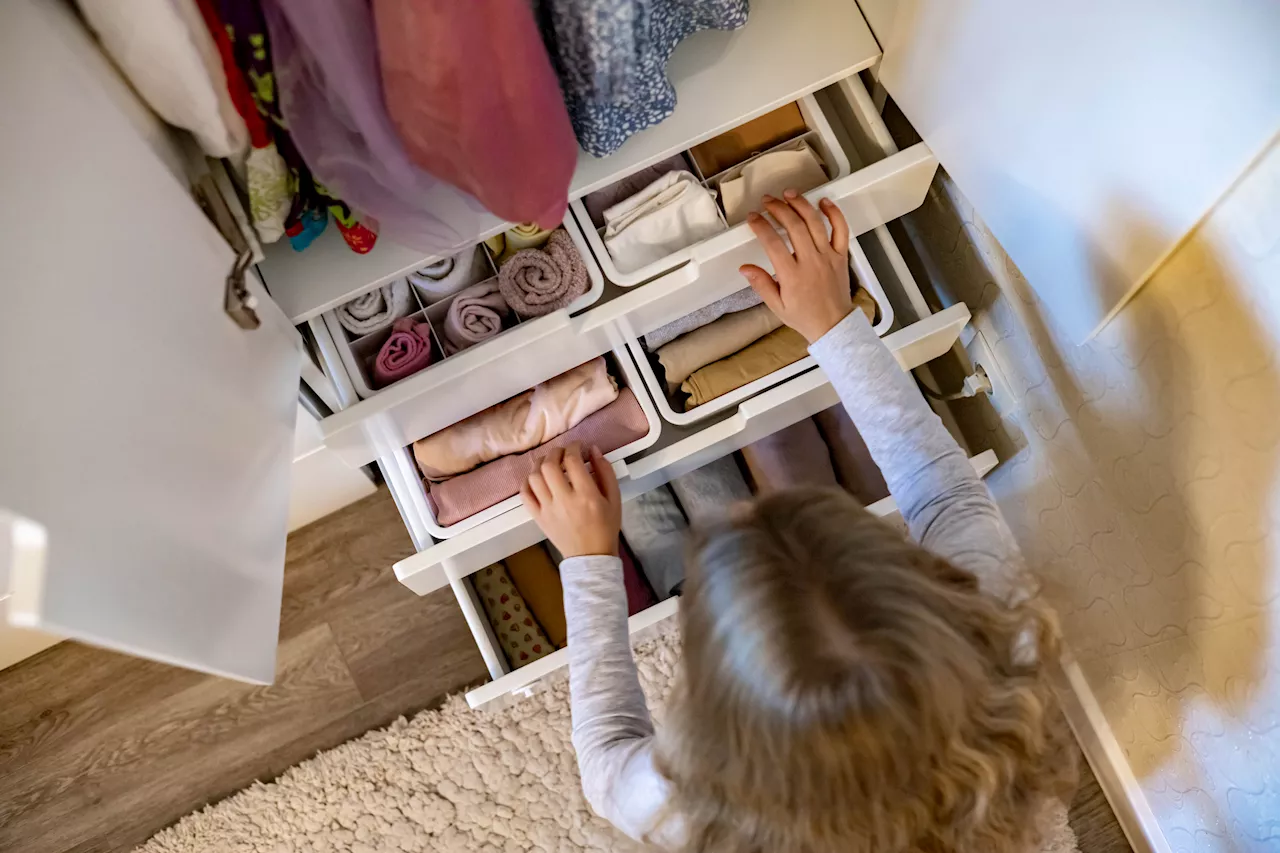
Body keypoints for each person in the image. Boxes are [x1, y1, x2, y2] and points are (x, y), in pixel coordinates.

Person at [519, 192, 1078, 853]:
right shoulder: (996, 662)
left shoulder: (688, 799)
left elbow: (606, 760)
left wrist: (588, 560)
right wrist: (836, 326)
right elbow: (945, 495)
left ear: (707, 714)